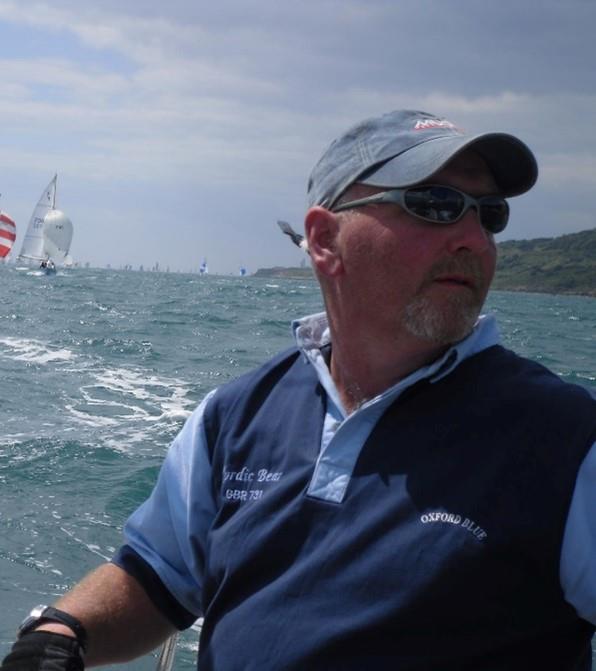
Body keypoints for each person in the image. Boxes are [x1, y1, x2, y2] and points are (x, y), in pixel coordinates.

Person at [2, 110, 595, 670]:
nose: (475, 238)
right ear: (324, 239)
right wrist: (64, 631)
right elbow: (159, 578)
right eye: (437, 204)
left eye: (489, 215)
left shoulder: (568, 444)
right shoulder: (233, 416)